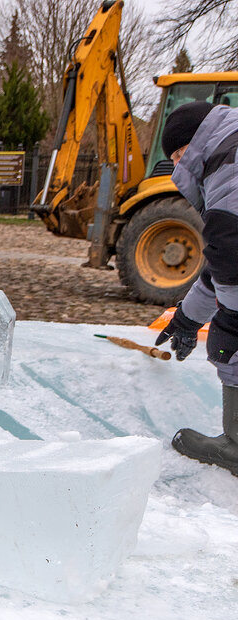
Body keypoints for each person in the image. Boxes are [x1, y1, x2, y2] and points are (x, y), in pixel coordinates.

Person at [152, 100, 238, 475]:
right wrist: (188, 319)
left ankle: (236, 444)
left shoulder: (227, 170)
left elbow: (231, 258)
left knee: (229, 339)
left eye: (175, 156)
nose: (177, 165)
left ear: (189, 147)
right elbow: (221, 266)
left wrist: (231, 323)